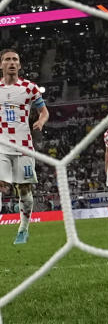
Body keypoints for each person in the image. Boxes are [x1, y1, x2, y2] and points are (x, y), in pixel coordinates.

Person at [0, 49, 48, 244]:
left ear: (19, 65)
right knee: (1, 185)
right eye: (7, 59)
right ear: (1, 64)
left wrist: (41, 121)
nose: (11, 62)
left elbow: (44, 112)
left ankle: (23, 229)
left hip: (24, 146)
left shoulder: (29, 88)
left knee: (24, 190)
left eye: (15, 60)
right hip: (1, 145)